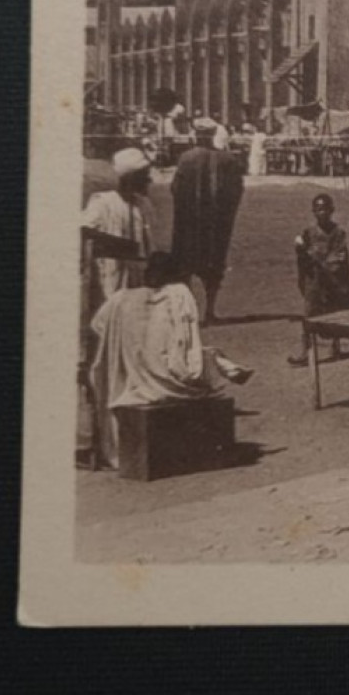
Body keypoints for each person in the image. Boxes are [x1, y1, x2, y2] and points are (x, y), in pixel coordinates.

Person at [86, 252, 251, 469]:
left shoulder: (120, 299)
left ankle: (224, 365)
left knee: (203, 355)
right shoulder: (178, 296)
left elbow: (97, 327)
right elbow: (186, 346)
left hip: (132, 375)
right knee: (205, 356)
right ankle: (226, 366)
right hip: (170, 379)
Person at [171, 118, 246, 323]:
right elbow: (237, 189)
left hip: (189, 224)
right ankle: (209, 311)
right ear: (213, 135)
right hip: (216, 225)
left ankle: (186, 312)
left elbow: (176, 188)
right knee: (214, 265)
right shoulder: (228, 160)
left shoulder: (186, 158)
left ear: (197, 135)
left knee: (185, 265)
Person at [286, 193, 349, 366]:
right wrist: (301, 251)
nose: (322, 213)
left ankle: (336, 345)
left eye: (325, 209)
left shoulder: (338, 233)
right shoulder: (308, 233)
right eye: (318, 209)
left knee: (335, 313)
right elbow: (302, 259)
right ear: (313, 211)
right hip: (314, 281)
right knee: (309, 316)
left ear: (331, 210)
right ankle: (305, 352)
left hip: (333, 281)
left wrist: (317, 258)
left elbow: (338, 258)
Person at [81, 147, 155, 305]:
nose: (149, 180)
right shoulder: (104, 202)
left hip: (137, 277)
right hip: (110, 277)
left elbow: (148, 242)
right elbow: (84, 229)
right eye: (144, 176)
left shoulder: (143, 204)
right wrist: (121, 247)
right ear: (130, 178)